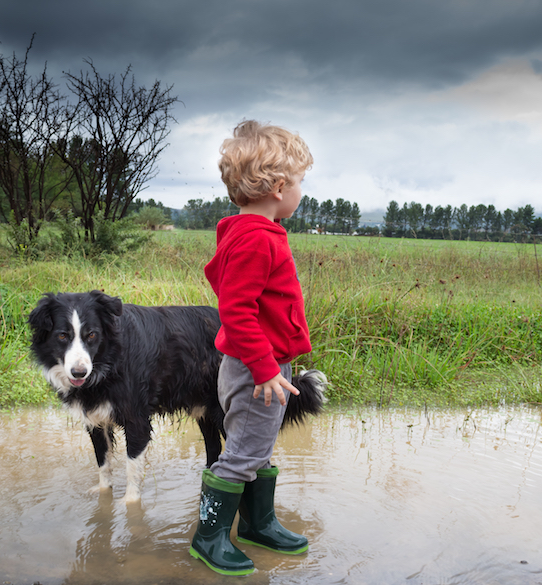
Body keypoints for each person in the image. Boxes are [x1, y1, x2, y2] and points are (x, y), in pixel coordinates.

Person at [189, 120, 314, 576]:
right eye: (300, 182)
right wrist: (265, 369)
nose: (302, 191)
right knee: (241, 453)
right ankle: (209, 537)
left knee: (255, 448)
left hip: (256, 363)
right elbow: (236, 310)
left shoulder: (247, 231)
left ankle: (259, 523)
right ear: (279, 187)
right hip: (254, 368)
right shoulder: (257, 239)